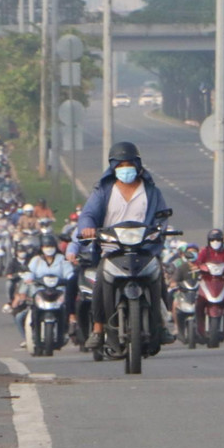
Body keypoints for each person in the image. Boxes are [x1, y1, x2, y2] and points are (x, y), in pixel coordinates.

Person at [76, 141, 173, 351]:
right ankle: (98, 328)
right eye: (120, 165)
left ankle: (163, 324)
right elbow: (88, 215)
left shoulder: (151, 191)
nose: (125, 169)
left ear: (138, 165)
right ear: (113, 167)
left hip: (144, 250)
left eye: (129, 164)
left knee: (158, 278)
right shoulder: (103, 191)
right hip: (112, 250)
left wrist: (159, 230)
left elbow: (161, 217)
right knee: (100, 281)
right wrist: (87, 228)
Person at [12, 233, 76, 349]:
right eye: (46, 246)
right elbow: (29, 273)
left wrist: (70, 278)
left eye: (51, 246)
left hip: (58, 292)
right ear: (41, 248)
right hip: (40, 292)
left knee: (68, 310)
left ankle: (65, 331)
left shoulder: (62, 259)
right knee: (27, 313)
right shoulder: (35, 260)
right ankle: (33, 334)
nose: (49, 249)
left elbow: (69, 272)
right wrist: (28, 278)